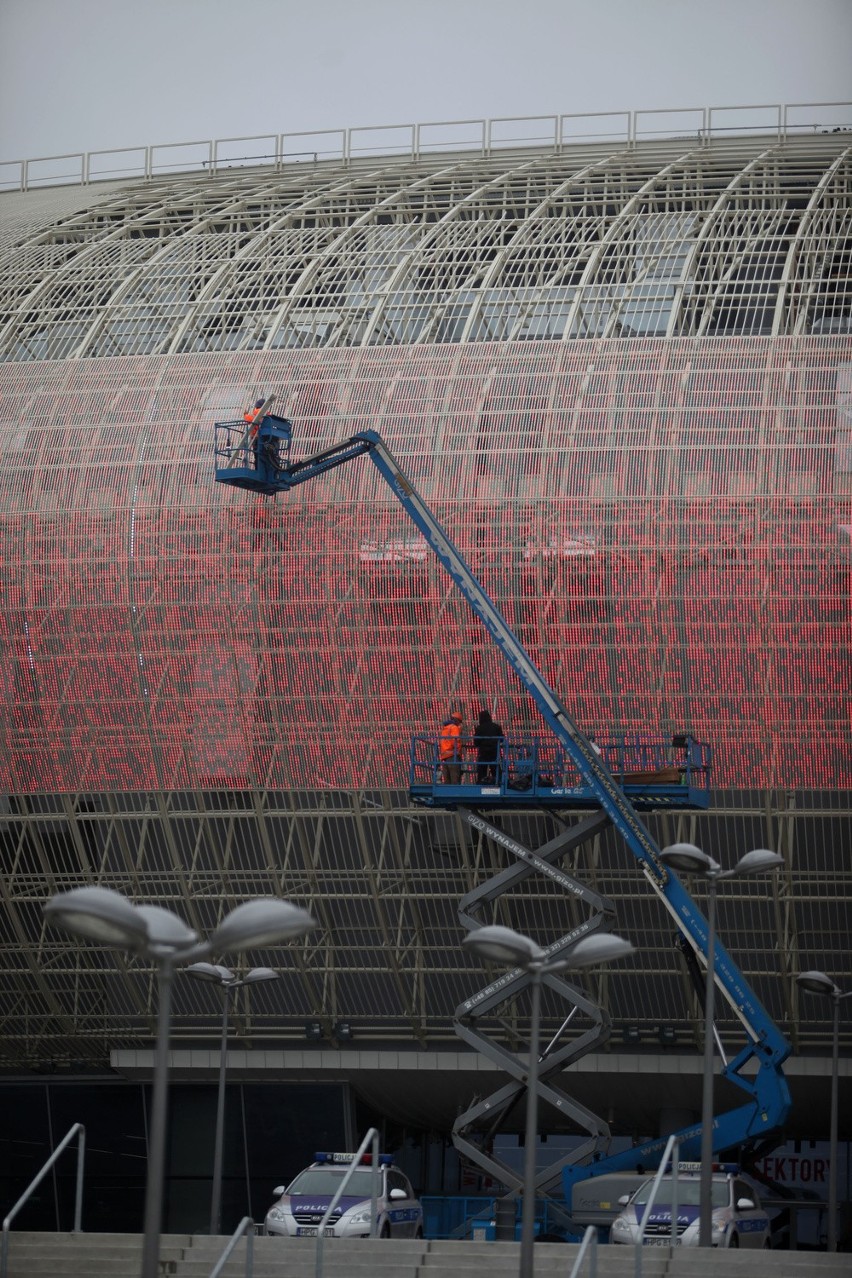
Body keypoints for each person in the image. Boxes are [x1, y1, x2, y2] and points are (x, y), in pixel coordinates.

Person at [472, 709, 503, 784]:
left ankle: (480, 783)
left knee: (482, 770)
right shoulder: (496, 727)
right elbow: (501, 739)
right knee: (496, 769)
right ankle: (499, 782)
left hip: (483, 753)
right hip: (494, 752)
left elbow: (476, 742)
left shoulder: (479, 728)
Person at [438, 711, 463, 784]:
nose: (460, 724)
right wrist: (458, 751)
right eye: (460, 722)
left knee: (447, 780)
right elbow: (455, 741)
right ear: (457, 720)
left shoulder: (445, 729)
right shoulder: (454, 727)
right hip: (453, 756)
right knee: (455, 779)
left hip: (444, 756)